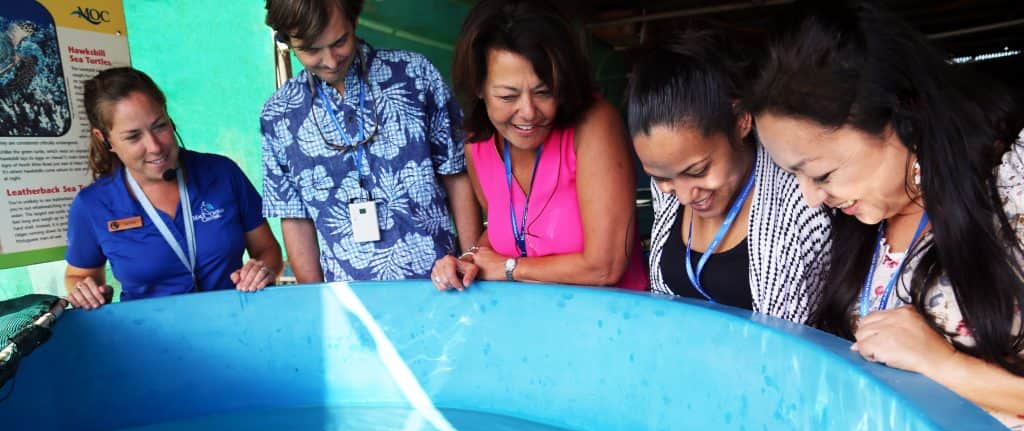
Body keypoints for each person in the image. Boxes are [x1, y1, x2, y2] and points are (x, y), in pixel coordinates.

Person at [746, 1, 1024, 431]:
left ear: (901, 121)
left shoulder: (1010, 186)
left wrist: (943, 365)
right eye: (795, 175)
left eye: (822, 173)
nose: (811, 198)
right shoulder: (860, 223)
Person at [430, 0, 648, 291]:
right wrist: (467, 261)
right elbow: (500, 237)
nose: (529, 112)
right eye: (508, 97)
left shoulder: (594, 125)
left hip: (610, 321)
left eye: (544, 92)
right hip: (537, 323)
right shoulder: (478, 147)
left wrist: (509, 268)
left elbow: (604, 267)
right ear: (479, 88)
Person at [261, 0, 481, 282]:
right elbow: (294, 217)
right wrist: (317, 302)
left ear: (354, 21)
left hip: (441, 284)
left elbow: (457, 176)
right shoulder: (279, 114)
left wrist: (470, 261)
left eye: (339, 42)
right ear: (286, 41)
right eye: (311, 50)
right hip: (350, 303)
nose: (330, 60)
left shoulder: (415, 74)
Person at [626, 31, 831, 321]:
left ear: (741, 120)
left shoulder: (802, 200)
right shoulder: (667, 189)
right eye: (662, 178)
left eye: (697, 171)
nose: (684, 195)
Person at [65, 68, 282, 309]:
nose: (155, 146)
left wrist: (263, 270)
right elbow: (78, 275)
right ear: (105, 139)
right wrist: (85, 291)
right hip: (150, 339)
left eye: (159, 126)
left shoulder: (222, 173)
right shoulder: (93, 204)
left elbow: (267, 250)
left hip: (234, 326)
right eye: (133, 136)